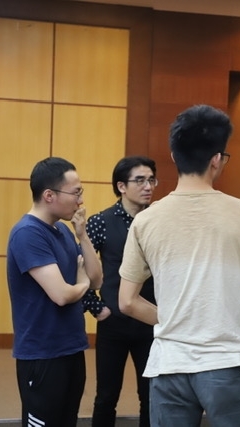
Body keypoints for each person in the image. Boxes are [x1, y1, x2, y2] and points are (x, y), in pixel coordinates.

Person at [118, 104, 240, 427]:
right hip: (227, 363)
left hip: (168, 364)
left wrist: (178, 316)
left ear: (174, 156)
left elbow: (127, 301)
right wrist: (219, 311)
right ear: (217, 159)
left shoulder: (146, 221)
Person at [6, 156, 103, 426]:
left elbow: (96, 280)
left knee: (66, 420)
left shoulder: (62, 230)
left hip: (70, 348)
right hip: (42, 353)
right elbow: (61, 294)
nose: (80, 201)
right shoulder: (27, 233)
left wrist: (82, 235)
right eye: (76, 193)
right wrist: (81, 283)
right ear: (49, 195)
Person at [88, 156, 158, 427]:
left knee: (151, 395)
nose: (148, 186)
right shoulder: (100, 222)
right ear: (121, 186)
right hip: (113, 323)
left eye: (151, 179)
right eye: (139, 180)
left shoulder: (159, 221)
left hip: (151, 321)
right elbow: (75, 265)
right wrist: (95, 307)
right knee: (106, 396)